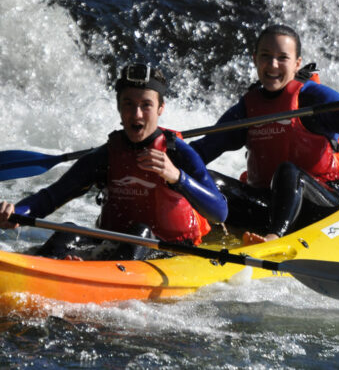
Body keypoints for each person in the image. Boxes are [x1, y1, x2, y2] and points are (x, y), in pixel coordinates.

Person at [0, 63, 228, 259]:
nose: (136, 114)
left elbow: (219, 212)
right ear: (119, 107)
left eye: (146, 105)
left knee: (140, 234)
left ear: (160, 108)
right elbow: (50, 198)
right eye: (128, 103)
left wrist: (177, 177)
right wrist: (16, 212)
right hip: (113, 244)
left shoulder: (178, 154)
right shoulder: (106, 155)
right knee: (67, 233)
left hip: (170, 248)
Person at [190, 24, 339, 244]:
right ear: (255, 59)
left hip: (319, 205)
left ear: (297, 64)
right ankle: (188, 234)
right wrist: (162, 152)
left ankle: (274, 239)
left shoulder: (315, 99)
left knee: (287, 172)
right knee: (207, 180)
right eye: (266, 56)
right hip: (267, 207)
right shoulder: (248, 107)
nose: (273, 64)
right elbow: (201, 152)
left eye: (282, 58)